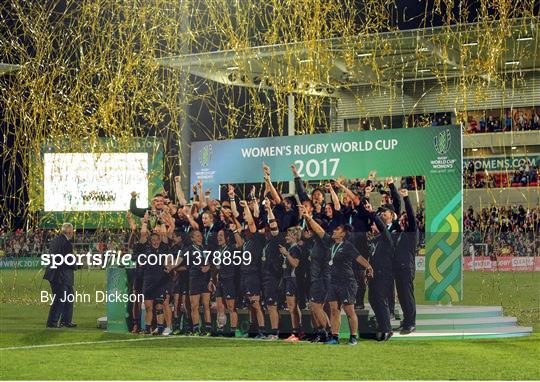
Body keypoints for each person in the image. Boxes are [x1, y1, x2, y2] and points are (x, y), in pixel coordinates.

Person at [303, 207, 373, 346]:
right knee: (334, 310)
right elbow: (318, 230)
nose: (334, 231)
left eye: (337, 230)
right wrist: (308, 218)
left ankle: (353, 337)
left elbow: (359, 258)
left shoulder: (347, 246)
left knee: (349, 310)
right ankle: (335, 337)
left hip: (346, 282)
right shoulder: (330, 242)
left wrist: (369, 267)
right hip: (332, 282)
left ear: (343, 234)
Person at [393, 189, 419, 334]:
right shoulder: (401, 234)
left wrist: (406, 198)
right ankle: (406, 321)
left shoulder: (411, 232)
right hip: (399, 269)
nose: (401, 220)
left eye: (404, 219)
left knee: (407, 297)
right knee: (402, 297)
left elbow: (411, 216)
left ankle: (411, 323)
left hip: (406, 268)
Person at [43, 222, 77, 328]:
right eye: (72, 231)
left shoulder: (56, 240)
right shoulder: (66, 243)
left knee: (67, 297)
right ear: (69, 231)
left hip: (56, 274)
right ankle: (53, 322)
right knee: (61, 299)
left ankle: (65, 321)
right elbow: (67, 261)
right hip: (61, 275)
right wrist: (76, 265)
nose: (73, 233)